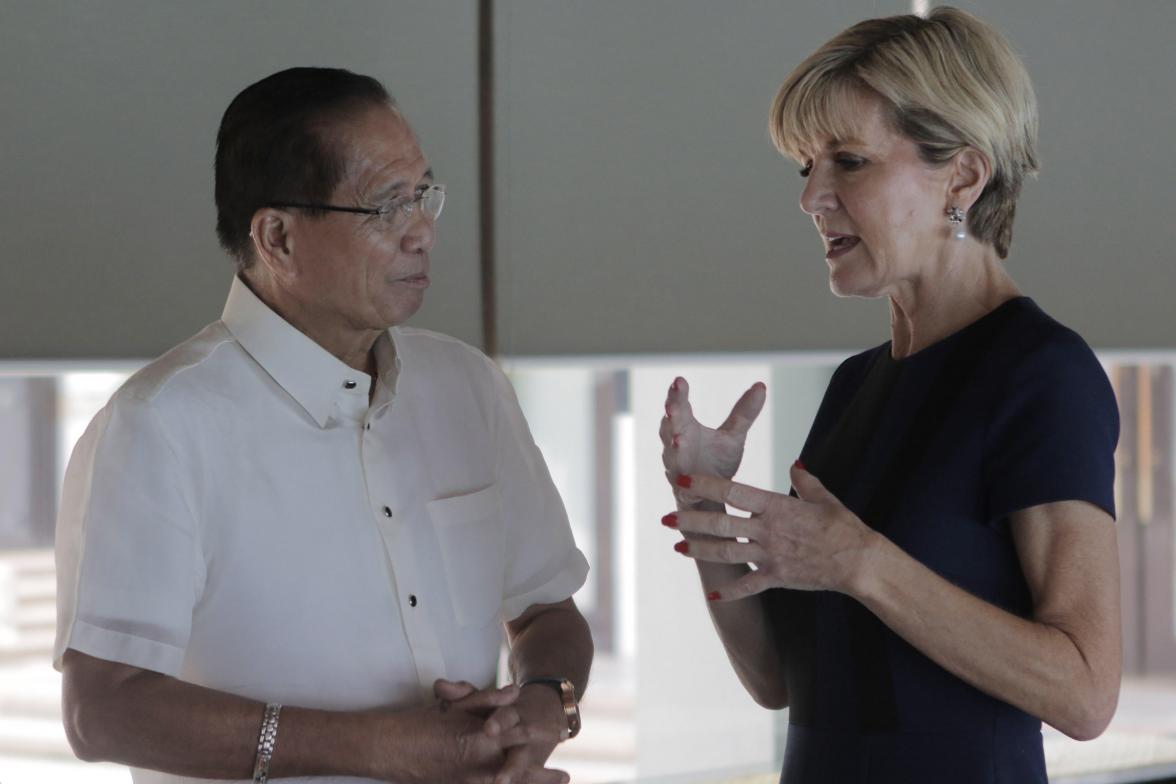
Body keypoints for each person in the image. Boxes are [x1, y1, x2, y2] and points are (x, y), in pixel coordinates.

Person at [54, 67, 592, 784]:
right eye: (386, 207)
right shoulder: (160, 426)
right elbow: (104, 712)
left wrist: (538, 708)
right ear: (277, 237)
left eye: (424, 194)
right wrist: (384, 748)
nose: (423, 231)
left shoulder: (469, 387)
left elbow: (546, 610)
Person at [659, 8, 1120, 783]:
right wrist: (705, 505)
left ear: (963, 178)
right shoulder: (854, 385)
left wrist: (861, 562)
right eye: (805, 166)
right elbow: (777, 680)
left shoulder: (1040, 374)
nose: (812, 197)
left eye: (849, 161)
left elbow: (1085, 691)